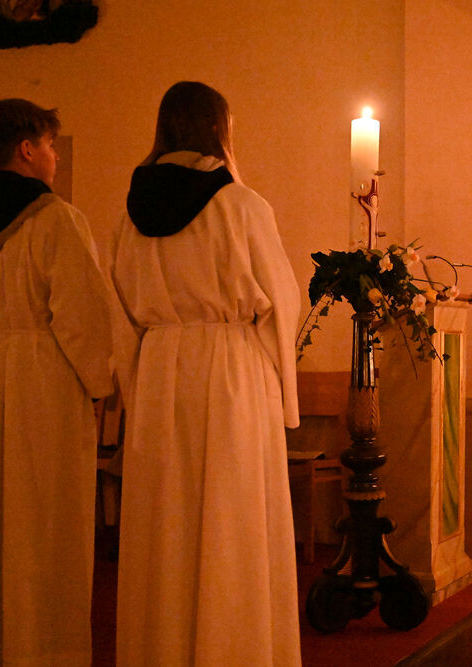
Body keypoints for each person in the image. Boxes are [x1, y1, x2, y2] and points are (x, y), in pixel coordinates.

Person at [110, 81, 302, 666]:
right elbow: (281, 300)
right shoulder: (241, 205)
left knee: (164, 525)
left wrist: (136, 385)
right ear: (219, 129)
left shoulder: (130, 214)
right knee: (230, 518)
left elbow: (118, 311)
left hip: (159, 369)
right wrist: (276, 384)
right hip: (230, 369)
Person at [0, 98, 114, 664]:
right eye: (49, 145)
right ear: (27, 149)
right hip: (42, 378)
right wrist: (99, 384)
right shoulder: (55, 218)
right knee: (44, 521)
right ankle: (43, 648)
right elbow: (83, 316)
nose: (53, 156)